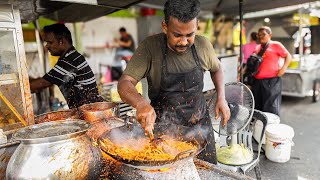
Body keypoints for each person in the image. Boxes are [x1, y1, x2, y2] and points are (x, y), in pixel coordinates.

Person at [117, 0, 230, 164]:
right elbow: (124, 83)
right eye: (177, 35)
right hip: (164, 132)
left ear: (197, 25)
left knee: (206, 171)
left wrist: (221, 97)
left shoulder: (203, 45)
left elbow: (217, 68)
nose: (184, 42)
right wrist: (140, 103)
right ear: (165, 27)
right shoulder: (150, 47)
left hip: (199, 127)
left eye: (189, 35)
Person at [30, 23, 104, 109]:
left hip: (91, 112)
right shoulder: (70, 56)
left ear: (61, 41)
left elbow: (42, 83)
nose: (47, 46)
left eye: (50, 42)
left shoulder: (69, 60)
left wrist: (20, 84)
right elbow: (47, 80)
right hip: (89, 110)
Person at [252, 26, 292, 115]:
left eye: (263, 34)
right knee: (257, 107)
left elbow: (288, 56)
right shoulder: (257, 47)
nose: (260, 36)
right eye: (259, 35)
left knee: (270, 108)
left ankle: (270, 127)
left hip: (271, 81)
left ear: (270, 35)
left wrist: (283, 68)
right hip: (257, 81)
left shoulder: (276, 45)